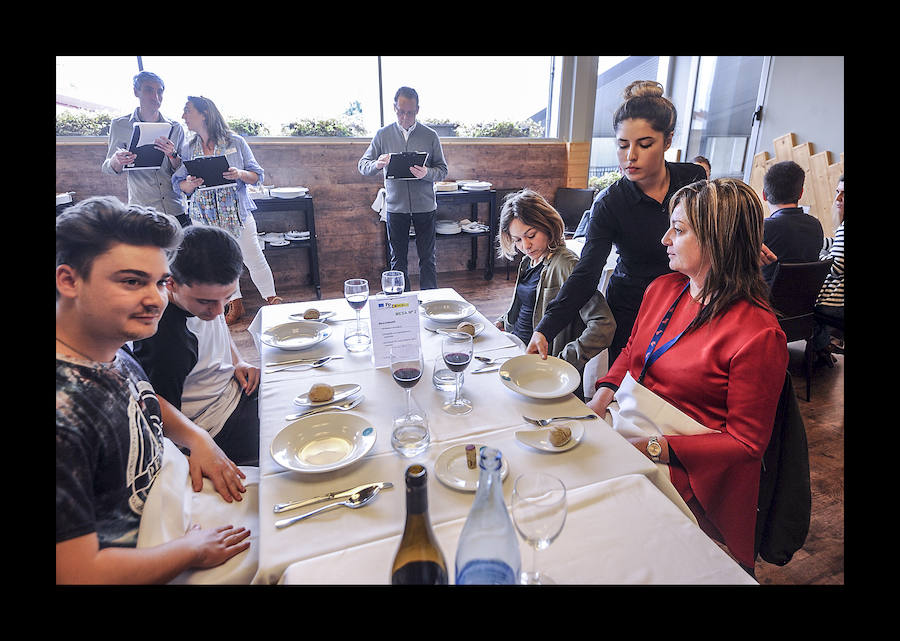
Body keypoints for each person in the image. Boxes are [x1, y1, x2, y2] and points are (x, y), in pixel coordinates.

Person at [585, 178, 788, 571]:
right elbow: (632, 352)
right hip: (626, 430)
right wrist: (600, 397)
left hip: (688, 471)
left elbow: (746, 445)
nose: (665, 239)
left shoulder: (758, 333)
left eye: (678, 230)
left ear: (718, 240)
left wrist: (651, 447)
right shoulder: (663, 288)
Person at [56, 196, 252, 584]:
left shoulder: (108, 348)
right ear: (69, 280)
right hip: (155, 552)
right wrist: (191, 550)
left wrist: (196, 437)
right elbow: (78, 574)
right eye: (131, 281)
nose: (155, 299)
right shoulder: (65, 413)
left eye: (160, 282)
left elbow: (145, 402)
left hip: (176, 502)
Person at [527, 81, 707, 365]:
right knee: (625, 386)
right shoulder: (610, 203)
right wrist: (546, 328)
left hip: (688, 301)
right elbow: (585, 274)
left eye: (645, 144)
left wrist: (741, 239)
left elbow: (715, 225)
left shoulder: (692, 178)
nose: (630, 156)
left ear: (668, 141)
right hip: (633, 307)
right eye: (622, 145)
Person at [133, 225, 261, 466]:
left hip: (235, 391)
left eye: (227, 297)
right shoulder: (165, 341)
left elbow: (218, 327)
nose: (218, 311)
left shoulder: (205, 301)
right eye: (206, 302)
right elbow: (155, 406)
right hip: (212, 427)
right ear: (170, 283)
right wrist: (192, 452)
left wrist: (237, 361)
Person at [173, 95, 282, 325]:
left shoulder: (236, 142)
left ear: (204, 113)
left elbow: (256, 175)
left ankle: (272, 300)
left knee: (253, 256)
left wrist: (239, 174)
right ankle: (236, 303)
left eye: (188, 110)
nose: (184, 116)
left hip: (236, 213)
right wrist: (190, 185)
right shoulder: (188, 148)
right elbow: (178, 183)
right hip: (204, 216)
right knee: (220, 261)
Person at [494, 190, 615, 396]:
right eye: (517, 240)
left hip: (547, 375)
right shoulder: (528, 261)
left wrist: (563, 360)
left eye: (531, 235)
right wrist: (503, 322)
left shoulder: (567, 265)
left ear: (547, 225)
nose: (526, 246)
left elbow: (604, 325)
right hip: (520, 359)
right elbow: (526, 306)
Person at [358, 86, 448, 291]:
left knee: (428, 259)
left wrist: (427, 174)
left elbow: (442, 170)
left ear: (418, 110)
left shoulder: (430, 135)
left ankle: (430, 304)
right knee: (397, 261)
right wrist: (377, 164)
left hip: (425, 207)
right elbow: (363, 166)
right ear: (394, 108)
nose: (405, 116)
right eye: (401, 111)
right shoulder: (382, 135)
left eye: (410, 112)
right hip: (395, 208)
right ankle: (401, 305)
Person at [101, 71, 190, 227]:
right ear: (136, 92)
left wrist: (173, 155)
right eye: (149, 90)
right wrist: (117, 160)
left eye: (160, 91)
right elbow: (109, 167)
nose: (155, 96)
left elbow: (183, 169)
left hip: (174, 208)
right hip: (141, 210)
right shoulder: (119, 124)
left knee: (184, 252)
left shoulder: (176, 127)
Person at [760, 160, 824, 287]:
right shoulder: (815, 226)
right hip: (804, 305)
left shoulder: (761, 228)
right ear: (801, 193)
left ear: (764, 195)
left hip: (762, 304)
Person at [811, 174, 844, 363]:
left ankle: (822, 344)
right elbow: (837, 244)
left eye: (843, 195)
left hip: (837, 303)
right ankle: (824, 346)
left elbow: (836, 268)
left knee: (803, 304)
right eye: (837, 192)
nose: (838, 199)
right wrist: (818, 242)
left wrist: (817, 255)